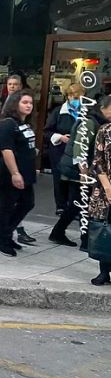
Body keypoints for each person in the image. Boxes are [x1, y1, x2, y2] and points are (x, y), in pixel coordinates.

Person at [51, 96, 111, 252]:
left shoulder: (95, 121)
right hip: (77, 170)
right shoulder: (90, 122)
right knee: (82, 205)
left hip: (77, 169)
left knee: (76, 205)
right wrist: (84, 174)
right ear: (104, 108)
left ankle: (59, 232)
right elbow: (80, 150)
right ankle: (85, 240)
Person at [0, 91, 37, 257]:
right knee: (7, 205)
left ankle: (5, 232)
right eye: (24, 102)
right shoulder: (7, 125)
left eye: (30, 102)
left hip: (26, 171)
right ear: (15, 104)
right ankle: (3, 241)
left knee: (27, 202)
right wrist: (15, 173)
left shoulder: (25, 124)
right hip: (9, 172)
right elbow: (6, 149)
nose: (28, 105)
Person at [45, 83, 83, 216]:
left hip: (78, 150)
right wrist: (60, 137)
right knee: (59, 178)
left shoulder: (86, 112)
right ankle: (61, 205)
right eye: (74, 97)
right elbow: (47, 131)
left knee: (76, 179)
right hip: (60, 150)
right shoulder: (58, 112)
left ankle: (74, 207)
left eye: (79, 97)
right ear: (68, 96)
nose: (76, 100)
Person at [86, 104, 111, 286]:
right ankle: (104, 272)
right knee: (105, 229)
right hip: (105, 189)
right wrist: (108, 188)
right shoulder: (105, 130)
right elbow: (98, 161)